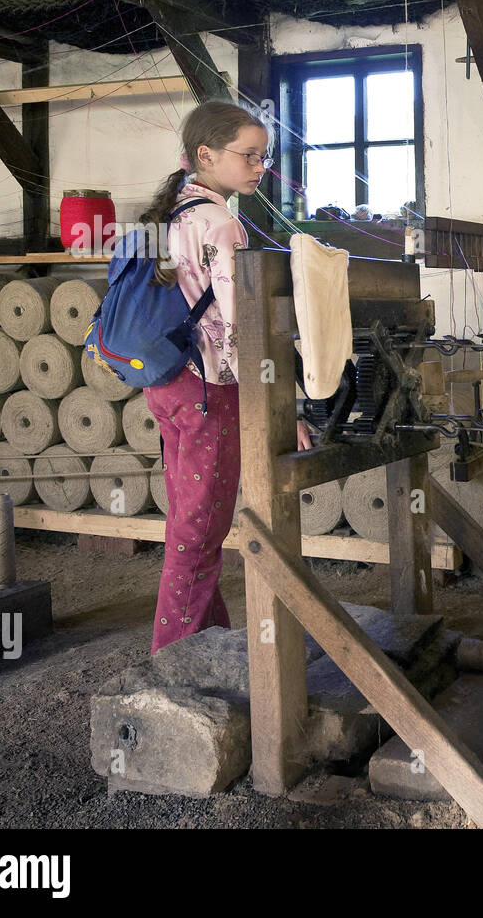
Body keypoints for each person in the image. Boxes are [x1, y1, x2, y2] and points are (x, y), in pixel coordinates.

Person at [141, 101, 313, 654]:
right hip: (207, 389)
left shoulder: (175, 215)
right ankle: (174, 662)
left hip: (167, 382)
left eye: (263, 156)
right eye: (249, 155)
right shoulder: (219, 221)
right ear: (206, 155)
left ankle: (206, 645)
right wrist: (283, 404)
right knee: (199, 532)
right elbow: (241, 327)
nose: (260, 166)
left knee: (191, 520)